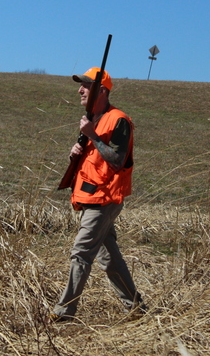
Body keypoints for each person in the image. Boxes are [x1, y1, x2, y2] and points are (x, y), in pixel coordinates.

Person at [50, 67, 145, 322]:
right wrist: (77, 152)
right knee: (109, 258)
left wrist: (92, 136)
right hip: (90, 197)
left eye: (86, 86)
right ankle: (136, 308)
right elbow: (96, 158)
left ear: (101, 91)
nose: (80, 90)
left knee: (81, 253)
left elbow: (117, 161)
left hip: (104, 199)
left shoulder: (118, 120)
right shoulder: (94, 118)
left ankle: (64, 313)